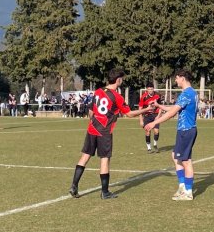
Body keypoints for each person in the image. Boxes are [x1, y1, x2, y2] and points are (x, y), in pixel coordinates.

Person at [69, 68, 155, 200]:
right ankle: (105, 192)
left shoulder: (98, 91)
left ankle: (74, 186)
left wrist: (93, 122)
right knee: (104, 160)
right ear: (118, 80)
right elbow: (129, 114)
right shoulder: (116, 96)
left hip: (92, 128)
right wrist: (147, 109)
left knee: (85, 157)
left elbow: (91, 111)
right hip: (104, 131)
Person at [145, 69, 198, 201]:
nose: (175, 80)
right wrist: (159, 105)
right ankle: (182, 187)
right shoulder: (192, 93)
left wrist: (154, 123)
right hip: (185, 130)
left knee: (186, 161)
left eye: (177, 78)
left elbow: (172, 113)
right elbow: (174, 108)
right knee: (175, 156)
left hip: (186, 130)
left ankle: (188, 192)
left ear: (183, 78)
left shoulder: (186, 93)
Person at [138, 85, 163, 153]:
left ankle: (155, 144)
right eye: (149, 89)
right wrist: (141, 120)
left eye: (151, 89)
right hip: (147, 116)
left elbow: (160, 106)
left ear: (153, 89)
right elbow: (140, 108)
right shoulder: (144, 97)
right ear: (147, 90)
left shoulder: (158, 95)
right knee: (148, 132)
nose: (150, 91)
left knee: (156, 131)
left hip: (155, 115)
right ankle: (149, 148)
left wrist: (159, 115)